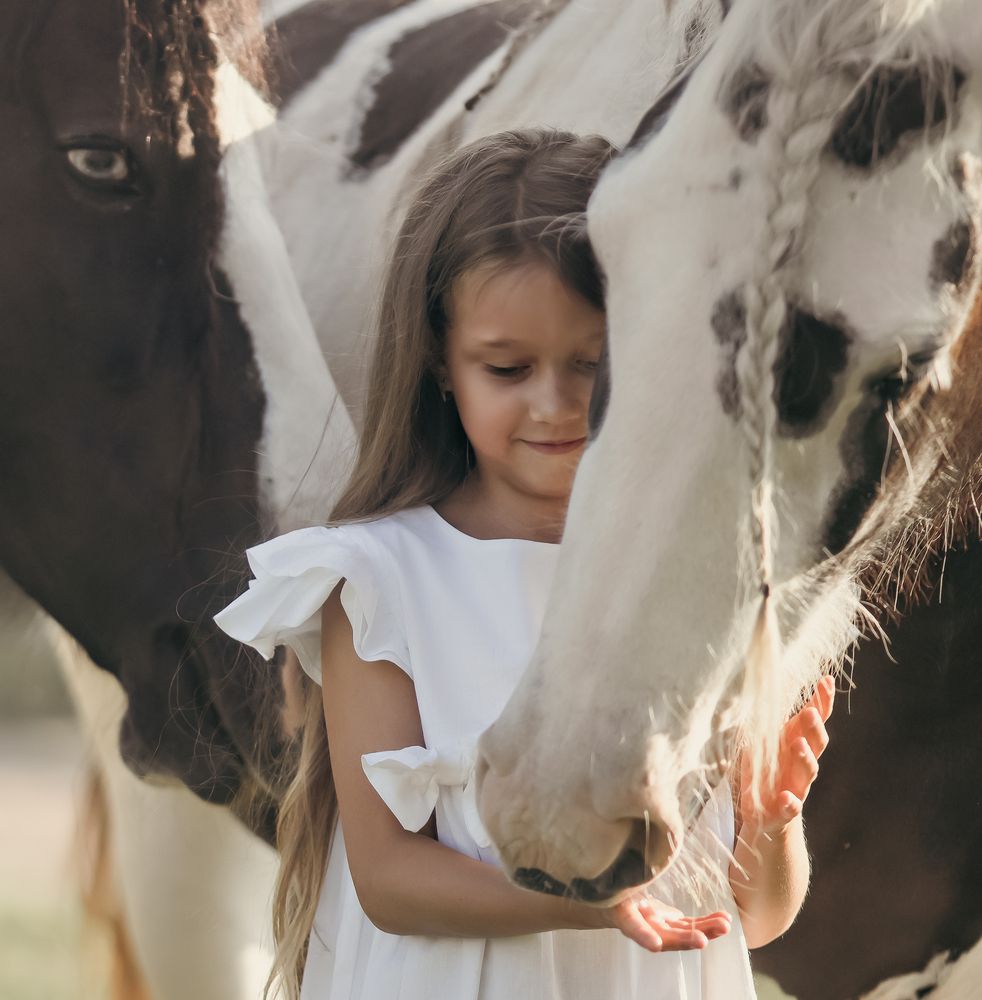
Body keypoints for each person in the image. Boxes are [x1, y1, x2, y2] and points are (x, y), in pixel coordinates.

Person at [215, 128, 833, 1000]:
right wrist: (593, 907)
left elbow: (753, 916)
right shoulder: (381, 580)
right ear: (439, 360)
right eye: (508, 368)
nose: (555, 402)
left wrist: (772, 819)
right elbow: (391, 880)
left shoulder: (708, 583)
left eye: (592, 362)